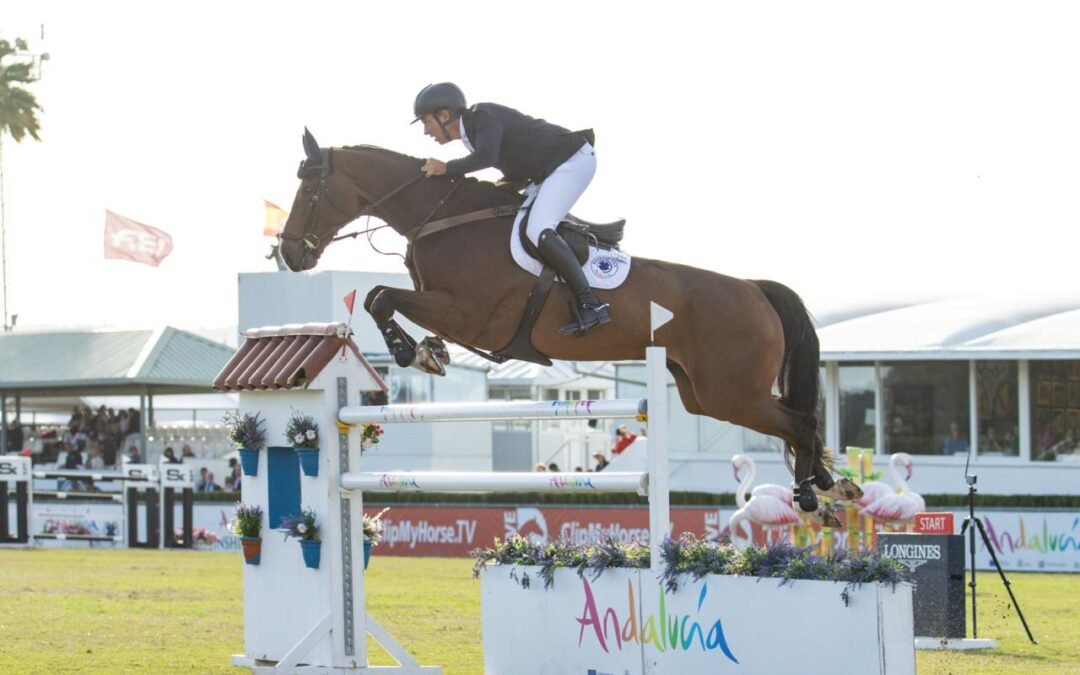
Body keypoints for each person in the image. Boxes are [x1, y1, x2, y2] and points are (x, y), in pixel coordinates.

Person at [413, 82, 611, 336]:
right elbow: (511, 166)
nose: (426, 132)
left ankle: (591, 303)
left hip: (572, 161)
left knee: (538, 228)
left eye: (426, 122)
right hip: (548, 173)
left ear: (444, 115)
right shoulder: (472, 135)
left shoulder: (482, 116)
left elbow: (487, 157)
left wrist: (446, 168)